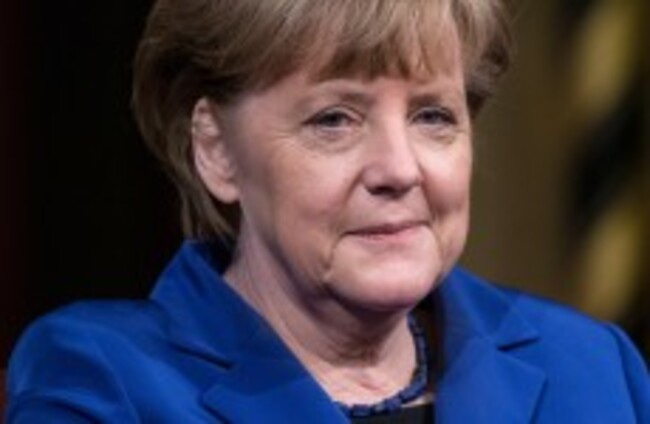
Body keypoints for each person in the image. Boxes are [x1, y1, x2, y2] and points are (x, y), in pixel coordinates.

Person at [5, 0, 649, 422]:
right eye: (334, 120)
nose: (399, 169)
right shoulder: (104, 383)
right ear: (217, 150)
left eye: (432, 116)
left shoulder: (592, 367)